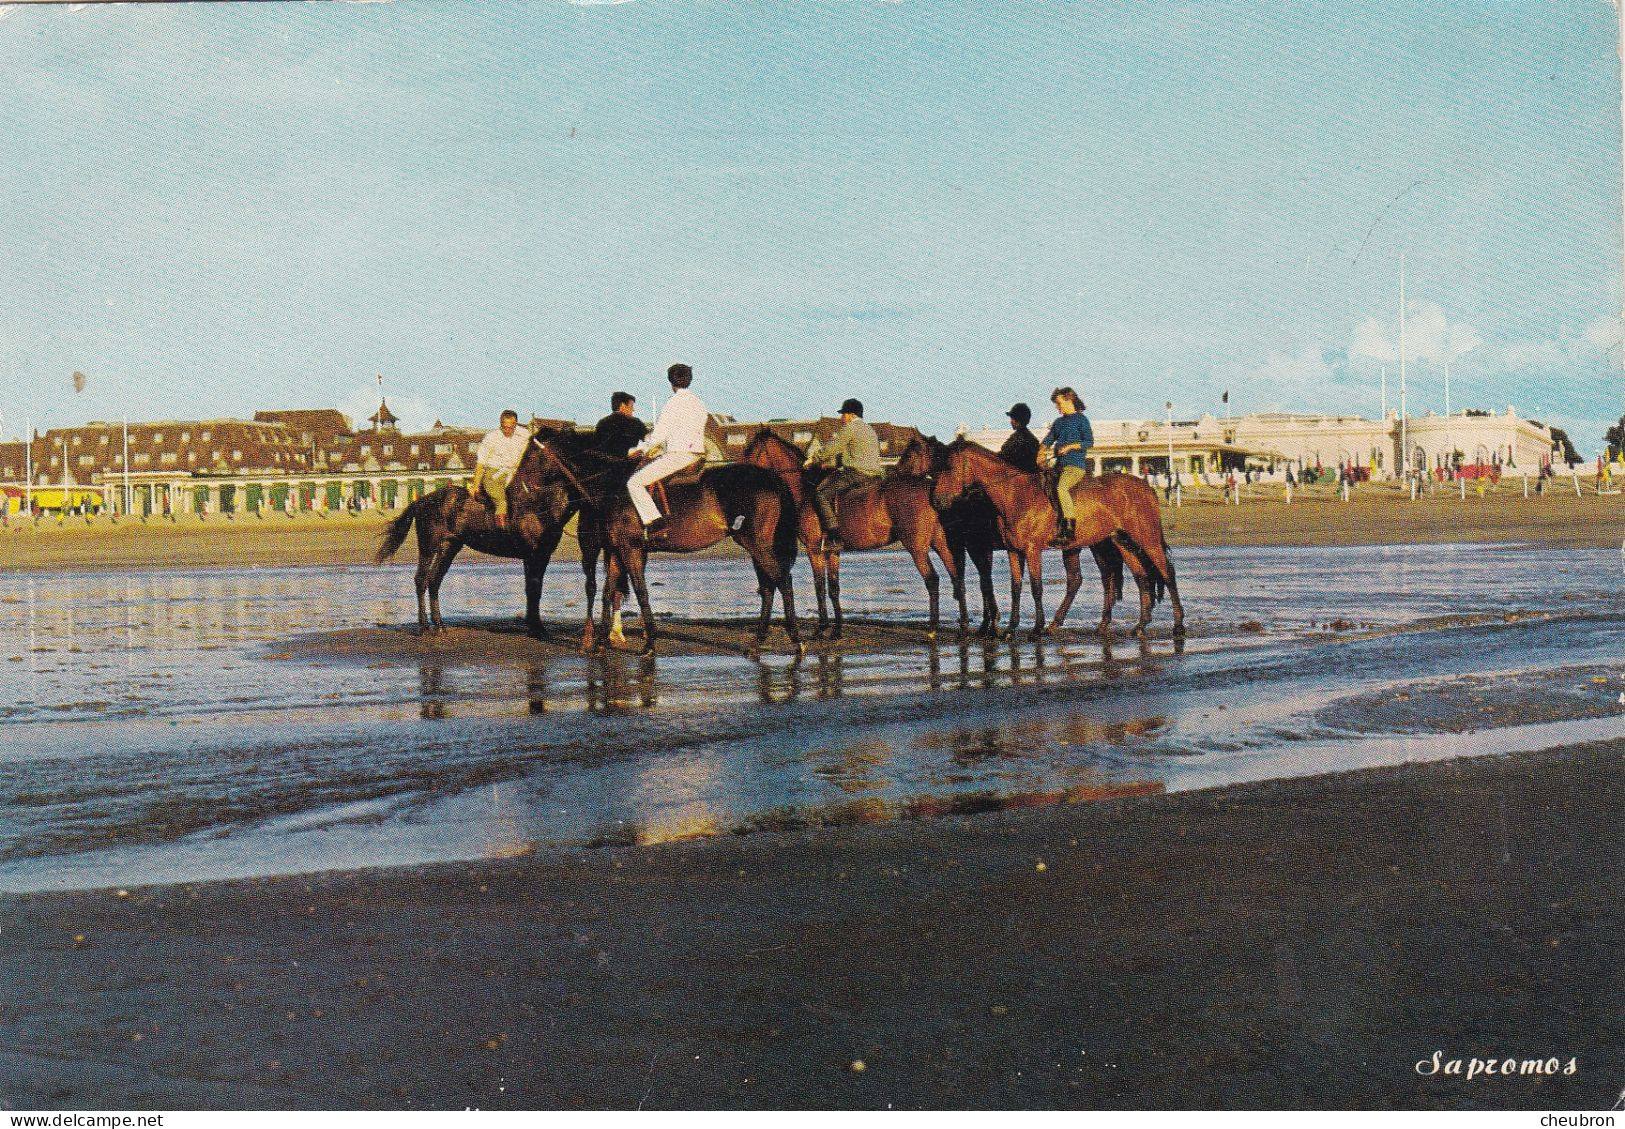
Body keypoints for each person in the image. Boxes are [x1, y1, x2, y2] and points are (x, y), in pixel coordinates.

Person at [627, 363, 709, 538]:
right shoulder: (699, 403)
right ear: (689, 380)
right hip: (697, 455)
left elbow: (658, 436)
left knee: (633, 483)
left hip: (678, 456)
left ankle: (655, 523)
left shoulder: (673, 404)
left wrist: (639, 449)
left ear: (671, 382)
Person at [806, 397, 883, 552]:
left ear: (851, 415)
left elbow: (833, 447)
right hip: (875, 475)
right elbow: (855, 454)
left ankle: (833, 536)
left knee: (820, 494)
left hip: (856, 474)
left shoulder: (850, 428)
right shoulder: (870, 430)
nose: (841, 418)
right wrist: (829, 464)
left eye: (843, 414)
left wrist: (813, 459)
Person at [1039, 386, 1093, 547]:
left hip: (1074, 467)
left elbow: (1089, 442)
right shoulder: (1058, 422)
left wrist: (1070, 447)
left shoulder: (1081, 420)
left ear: (1069, 399)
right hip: (1058, 466)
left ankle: (1069, 530)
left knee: (1061, 489)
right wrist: (1041, 451)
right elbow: (1048, 439)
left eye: (1058, 403)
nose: (1057, 407)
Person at [470, 409, 530, 528]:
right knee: (502, 502)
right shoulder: (491, 438)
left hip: (515, 473)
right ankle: (502, 532)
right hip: (494, 475)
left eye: (510, 427)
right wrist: (475, 486)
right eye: (504, 426)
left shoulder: (524, 434)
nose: (507, 429)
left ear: (515, 424)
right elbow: (480, 464)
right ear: (500, 423)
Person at [594, 391, 647, 457]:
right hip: (629, 463)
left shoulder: (601, 423)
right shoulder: (636, 422)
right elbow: (648, 439)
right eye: (631, 406)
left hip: (607, 463)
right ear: (623, 406)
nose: (633, 409)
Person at [997, 402, 1040, 471]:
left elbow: (1003, 457)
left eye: (1012, 419)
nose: (1011, 422)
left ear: (1017, 420)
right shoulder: (1031, 438)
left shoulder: (1019, 438)